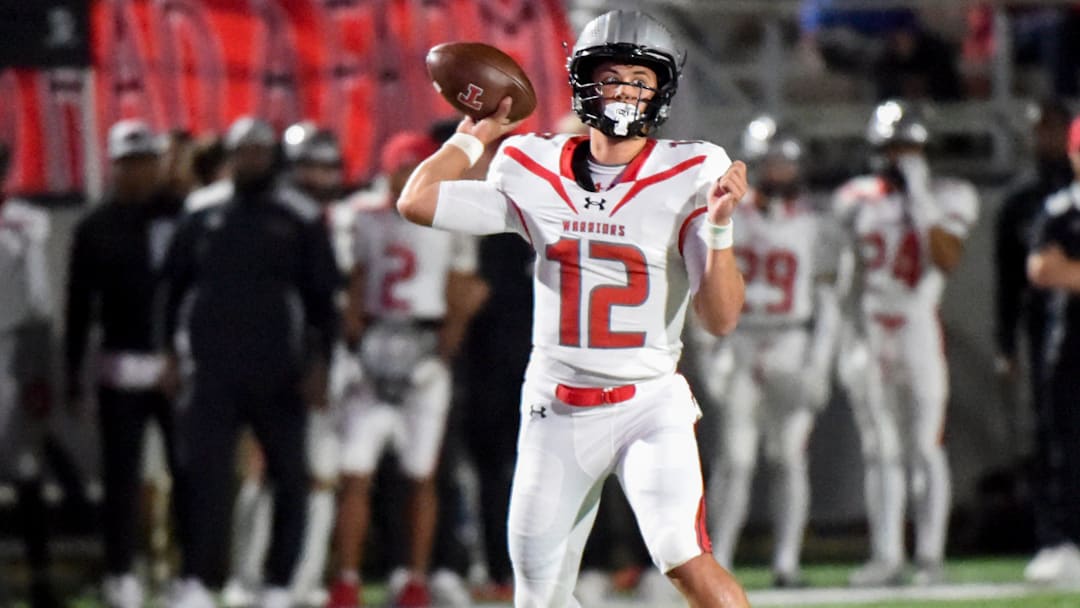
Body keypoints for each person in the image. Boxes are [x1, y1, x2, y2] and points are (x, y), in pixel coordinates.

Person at [395, 9, 751, 608]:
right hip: (555, 411)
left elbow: (720, 319)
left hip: (647, 406)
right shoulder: (529, 163)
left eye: (643, 80)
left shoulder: (693, 169)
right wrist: (471, 137)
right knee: (537, 597)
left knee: (685, 558)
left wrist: (717, 231)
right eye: (615, 77)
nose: (628, 92)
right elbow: (417, 199)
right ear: (585, 79)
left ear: (662, 90)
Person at [160, 116, 340, 608]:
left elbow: (323, 301)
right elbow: (173, 290)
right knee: (203, 477)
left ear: (273, 159)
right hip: (211, 367)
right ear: (231, 155)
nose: (250, 161)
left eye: (259, 153)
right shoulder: (201, 211)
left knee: (289, 477)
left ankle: (279, 583)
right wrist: (168, 355)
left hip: (278, 370)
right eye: (242, 152)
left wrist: (321, 364)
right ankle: (197, 578)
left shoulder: (299, 215)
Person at [326, 130, 486, 608]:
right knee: (354, 472)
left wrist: (441, 354)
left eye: (417, 165)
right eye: (403, 165)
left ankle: (413, 577)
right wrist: (354, 347)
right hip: (375, 340)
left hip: (423, 344)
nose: (410, 175)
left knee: (422, 473)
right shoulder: (358, 216)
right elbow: (350, 285)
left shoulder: (451, 218)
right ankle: (347, 578)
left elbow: (463, 291)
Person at [833, 100, 979, 586]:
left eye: (911, 147)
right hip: (872, 330)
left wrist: (919, 197)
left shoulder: (950, 195)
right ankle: (887, 554)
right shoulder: (855, 198)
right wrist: (844, 342)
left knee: (924, 447)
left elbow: (947, 257)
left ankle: (931, 557)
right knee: (880, 450)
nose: (902, 156)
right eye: (894, 147)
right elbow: (842, 279)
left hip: (917, 325)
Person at [703, 116, 841, 588]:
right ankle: (719, 560)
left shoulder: (816, 224)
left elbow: (828, 302)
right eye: (772, 162)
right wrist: (710, 353)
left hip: (791, 340)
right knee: (736, 458)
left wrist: (820, 363)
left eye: (787, 162)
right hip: (741, 341)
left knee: (788, 456)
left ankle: (787, 561)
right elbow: (704, 287)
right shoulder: (729, 215)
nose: (779, 172)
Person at [222, 123, 348, 608]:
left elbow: (338, 297)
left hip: (336, 356)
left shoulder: (347, 214)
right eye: (307, 166)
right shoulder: (280, 217)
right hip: (282, 359)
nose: (317, 176)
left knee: (316, 475)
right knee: (262, 469)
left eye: (326, 166)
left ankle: (300, 578)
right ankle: (249, 573)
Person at [65, 119, 184, 608]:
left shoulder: (181, 215)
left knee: (190, 472)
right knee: (121, 476)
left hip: (176, 366)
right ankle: (121, 570)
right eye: (129, 163)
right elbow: (78, 306)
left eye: (146, 161)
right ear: (114, 166)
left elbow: (194, 292)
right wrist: (74, 373)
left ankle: (188, 571)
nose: (139, 172)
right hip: (120, 365)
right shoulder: (95, 226)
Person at [0, 140, 59, 607]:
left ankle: (40, 575)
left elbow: (39, 305)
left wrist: (39, 375)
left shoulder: (24, 223)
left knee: (25, 469)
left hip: (12, 357)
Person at [1022, 114, 1080, 583]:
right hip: (1072, 344)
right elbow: (1044, 270)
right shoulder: (1062, 208)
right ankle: (1066, 540)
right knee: (1066, 444)